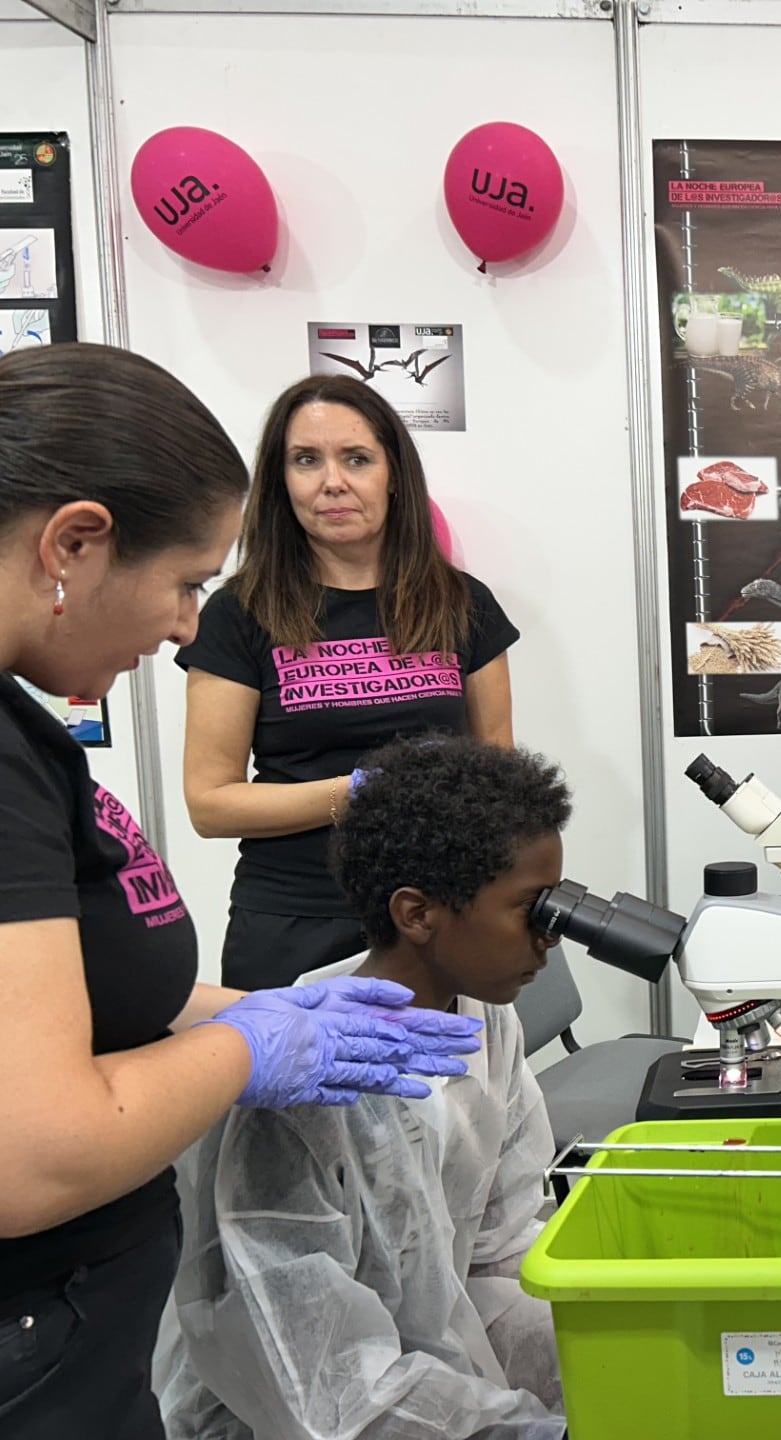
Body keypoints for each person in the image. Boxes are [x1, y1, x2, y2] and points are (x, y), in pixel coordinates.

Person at [0, 344, 483, 1440]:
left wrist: (244, 1014)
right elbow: (33, 1154)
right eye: (182, 584)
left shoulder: (28, 733)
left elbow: (76, 995)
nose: (182, 625)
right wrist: (250, 1048)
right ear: (74, 543)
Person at [160, 734, 571, 1440]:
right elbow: (321, 1390)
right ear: (417, 914)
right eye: (529, 909)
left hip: (421, 1388)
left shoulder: (483, 1021)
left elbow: (500, 1253)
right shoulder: (300, 1091)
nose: (551, 939)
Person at [178, 375, 520, 992]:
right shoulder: (238, 615)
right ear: (282, 483)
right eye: (306, 460)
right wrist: (359, 792)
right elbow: (211, 803)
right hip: (294, 921)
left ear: (394, 474)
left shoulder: (462, 605)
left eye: (356, 459)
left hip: (434, 916)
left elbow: (498, 771)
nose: (332, 481)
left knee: (442, 1089)